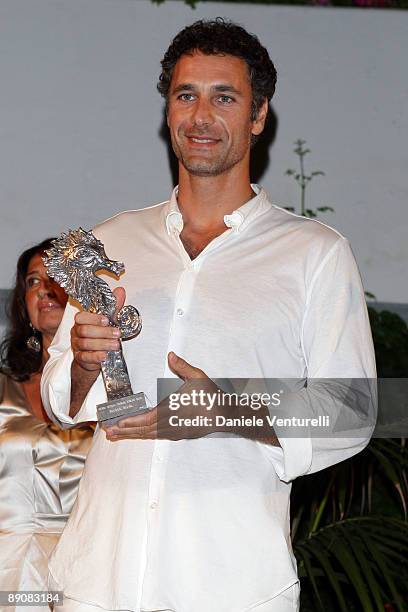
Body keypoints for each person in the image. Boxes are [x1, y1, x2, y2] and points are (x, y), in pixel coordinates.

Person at [41, 19, 376, 612]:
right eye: (185, 94)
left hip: (232, 585)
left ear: (258, 115)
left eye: (224, 97)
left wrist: (231, 408)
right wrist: (86, 366)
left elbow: (351, 411)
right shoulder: (110, 241)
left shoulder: (315, 253)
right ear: (168, 109)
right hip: (99, 579)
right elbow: (58, 397)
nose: (201, 116)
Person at [0, 239, 94, 609]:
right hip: (10, 568)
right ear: (24, 308)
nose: (44, 288)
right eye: (32, 281)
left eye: (56, 277)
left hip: (89, 563)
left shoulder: (113, 388)